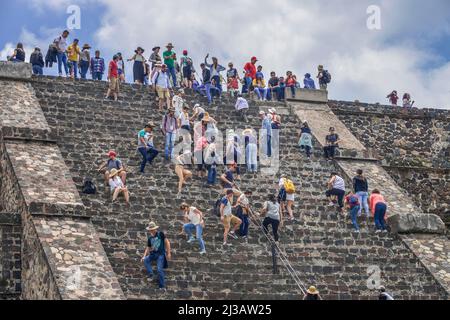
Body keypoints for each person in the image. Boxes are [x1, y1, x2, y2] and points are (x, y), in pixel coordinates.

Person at [141, 222, 172, 290]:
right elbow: (148, 248)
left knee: (159, 269)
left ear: (155, 229)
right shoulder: (150, 238)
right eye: (150, 230)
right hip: (153, 254)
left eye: (152, 229)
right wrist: (144, 256)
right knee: (146, 259)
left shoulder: (160, 234)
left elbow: (167, 242)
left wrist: (169, 253)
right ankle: (151, 274)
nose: (151, 231)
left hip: (160, 254)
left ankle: (162, 286)